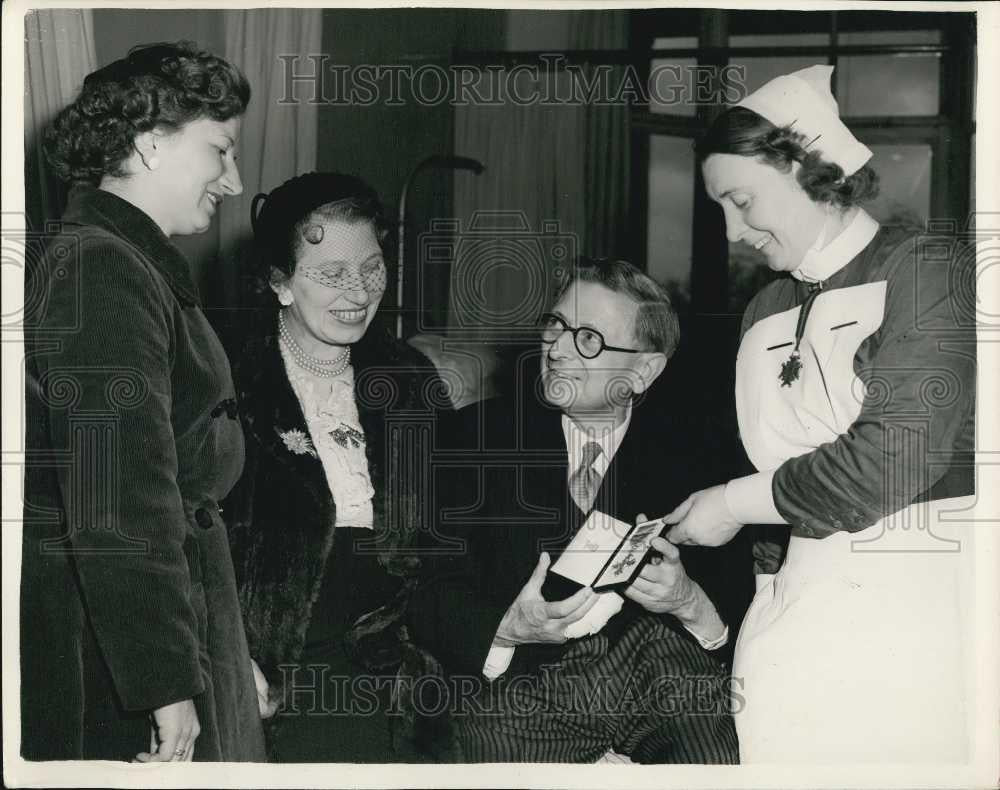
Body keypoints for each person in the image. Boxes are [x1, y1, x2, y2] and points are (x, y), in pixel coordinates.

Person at [665, 65, 976, 762]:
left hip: (914, 609)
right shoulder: (764, 310)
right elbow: (773, 473)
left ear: (809, 168)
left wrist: (733, 504)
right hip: (792, 608)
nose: (731, 229)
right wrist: (764, 591)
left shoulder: (927, 270)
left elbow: (892, 457)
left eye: (741, 199)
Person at [21, 42, 266, 762]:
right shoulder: (102, 268)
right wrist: (165, 684)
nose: (234, 178)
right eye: (219, 151)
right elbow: (119, 498)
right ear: (153, 143)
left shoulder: (122, 258)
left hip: (172, 606)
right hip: (119, 649)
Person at [410, 259, 751, 763]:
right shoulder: (473, 437)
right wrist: (505, 626)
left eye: (588, 339)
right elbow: (425, 583)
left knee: (712, 751)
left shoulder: (703, 458)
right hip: (524, 694)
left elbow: (735, 614)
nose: (558, 350)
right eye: (556, 325)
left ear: (643, 370)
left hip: (659, 682)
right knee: (466, 746)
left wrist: (688, 600)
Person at [224, 172, 443, 762]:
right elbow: (184, 537)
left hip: (395, 660)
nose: (358, 292)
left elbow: (448, 536)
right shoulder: (229, 378)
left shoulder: (410, 379)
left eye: (372, 269)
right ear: (280, 282)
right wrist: (224, 656)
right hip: (270, 664)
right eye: (331, 274)